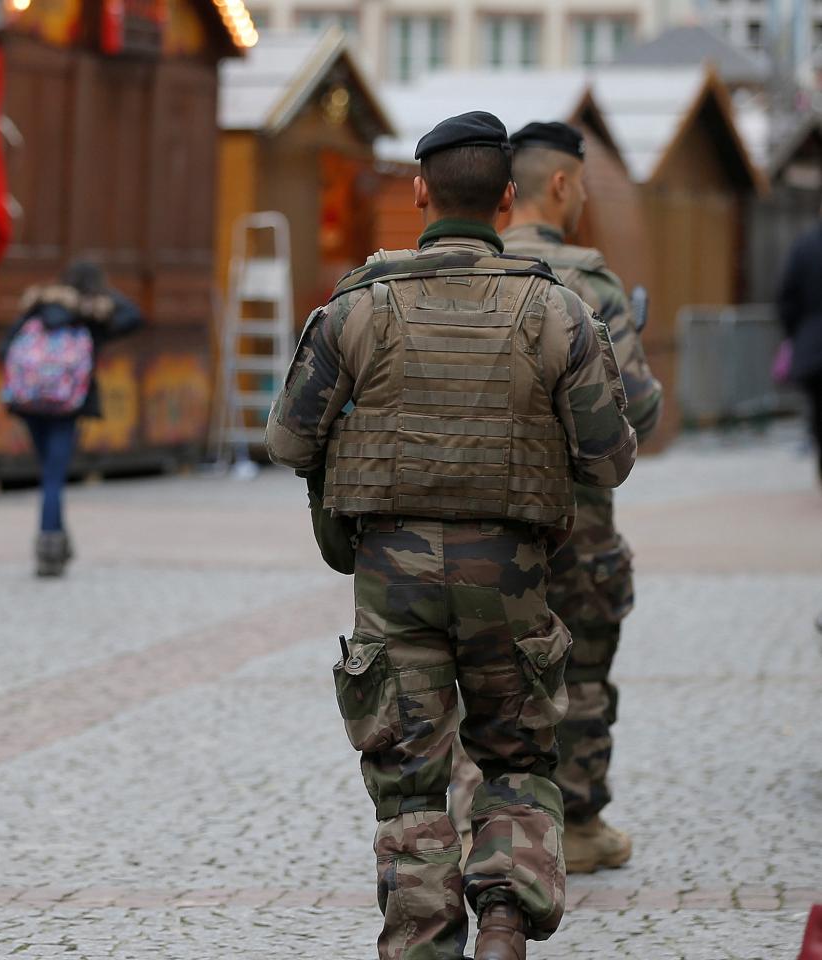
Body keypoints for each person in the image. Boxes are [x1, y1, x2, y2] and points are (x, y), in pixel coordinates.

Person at [267, 112, 637, 960]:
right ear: (509, 200)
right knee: (514, 760)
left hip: (392, 583)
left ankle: (424, 941)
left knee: (410, 784)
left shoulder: (356, 309)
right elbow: (610, 458)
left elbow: (288, 441)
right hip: (512, 579)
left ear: (420, 191)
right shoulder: (559, 313)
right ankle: (504, 923)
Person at [502, 120, 663, 875]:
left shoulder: (479, 271)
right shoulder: (592, 285)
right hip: (581, 525)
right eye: (583, 183)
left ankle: (496, 828)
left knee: (493, 680)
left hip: (494, 530)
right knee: (585, 677)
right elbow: (641, 408)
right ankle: (582, 828)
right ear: (560, 183)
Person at [0, 260, 142, 576]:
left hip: (29, 402)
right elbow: (133, 317)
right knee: (54, 476)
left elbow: (6, 348)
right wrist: (105, 297)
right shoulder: (90, 316)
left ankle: (58, 542)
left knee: (49, 473)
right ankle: (49, 549)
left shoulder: (39, 305)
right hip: (68, 404)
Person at [777, 205, 822, 483]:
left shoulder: (804, 247)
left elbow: (786, 298)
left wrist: (797, 334)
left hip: (813, 346)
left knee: (818, 412)